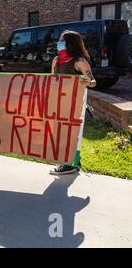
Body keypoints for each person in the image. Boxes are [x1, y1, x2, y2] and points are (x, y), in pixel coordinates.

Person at [50, 30, 97, 175]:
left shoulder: (79, 61)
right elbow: (52, 80)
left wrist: (88, 81)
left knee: (70, 133)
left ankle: (71, 164)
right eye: (59, 40)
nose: (59, 43)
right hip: (59, 101)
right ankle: (71, 162)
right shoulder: (56, 60)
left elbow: (93, 82)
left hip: (74, 103)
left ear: (70, 43)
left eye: (62, 40)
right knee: (59, 132)